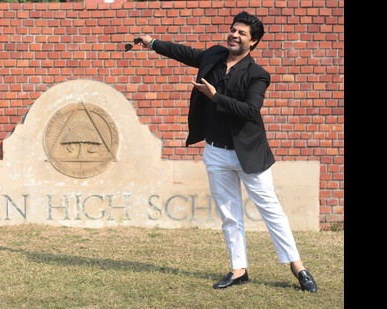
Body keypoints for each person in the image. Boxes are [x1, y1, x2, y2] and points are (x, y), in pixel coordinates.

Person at [135, 11, 317, 292]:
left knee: (271, 211)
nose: (234, 34)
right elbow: (183, 52)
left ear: (253, 42)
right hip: (216, 152)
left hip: (249, 155)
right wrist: (152, 42)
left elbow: (249, 110)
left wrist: (215, 97)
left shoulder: (258, 75)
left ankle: (298, 267)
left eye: (242, 33)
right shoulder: (213, 55)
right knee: (230, 214)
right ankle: (238, 269)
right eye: (233, 29)